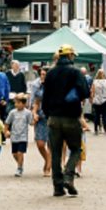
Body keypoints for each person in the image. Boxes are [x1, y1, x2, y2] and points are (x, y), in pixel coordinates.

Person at [42, 45, 89, 197]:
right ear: (70, 56)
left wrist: (48, 113)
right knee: (75, 149)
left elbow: (45, 97)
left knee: (55, 152)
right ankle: (69, 176)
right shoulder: (75, 72)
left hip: (54, 118)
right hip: (71, 116)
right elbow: (85, 92)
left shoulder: (50, 73)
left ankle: (57, 187)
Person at [5, 95, 33, 177]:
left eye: (18, 103)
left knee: (20, 153)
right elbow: (7, 123)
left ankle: (19, 168)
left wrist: (35, 119)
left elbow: (31, 123)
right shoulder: (12, 112)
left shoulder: (28, 113)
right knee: (14, 154)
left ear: (24, 104)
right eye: (15, 103)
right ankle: (20, 164)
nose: (16, 105)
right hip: (14, 136)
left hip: (23, 137)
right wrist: (5, 131)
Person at [31, 67, 51, 176]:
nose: (43, 76)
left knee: (51, 144)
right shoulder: (39, 86)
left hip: (52, 117)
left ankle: (48, 167)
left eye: (45, 74)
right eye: (42, 74)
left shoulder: (55, 86)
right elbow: (36, 101)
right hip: (41, 117)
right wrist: (34, 113)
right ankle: (48, 159)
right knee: (40, 144)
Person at [90, 69, 106, 134]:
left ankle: (96, 130)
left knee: (97, 116)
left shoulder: (94, 82)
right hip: (105, 100)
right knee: (104, 116)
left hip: (96, 100)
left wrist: (91, 99)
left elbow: (92, 92)